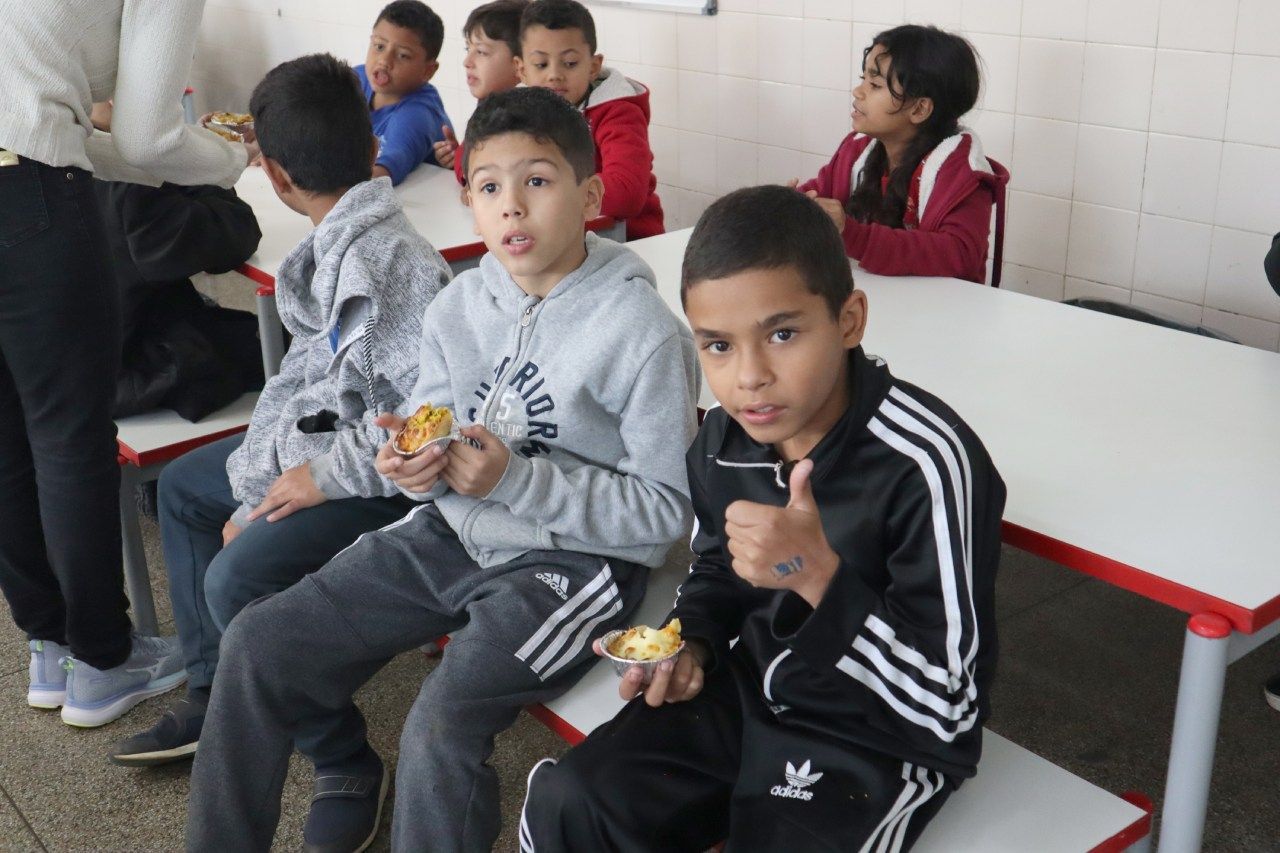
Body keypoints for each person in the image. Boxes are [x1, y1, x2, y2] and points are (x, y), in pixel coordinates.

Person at [185, 86, 698, 852]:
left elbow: (661, 518)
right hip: (451, 531)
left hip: (570, 565)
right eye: (489, 187)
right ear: (469, 203)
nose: (512, 205)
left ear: (590, 196)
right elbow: (433, 425)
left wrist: (515, 481)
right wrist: (410, 463)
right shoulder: (459, 308)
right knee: (258, 640)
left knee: (439, 721)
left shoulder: (640, 331)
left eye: (537, 180)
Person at [522, 185, 1007, 852]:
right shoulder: (722, 441)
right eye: (718, 346)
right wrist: (691, 643)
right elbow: (717, 568)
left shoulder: (925, 463)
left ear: (849, 320)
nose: (749, 376)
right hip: (747, 690)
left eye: (782, 334)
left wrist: (818, 578)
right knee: (574, 801)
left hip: (874, 734)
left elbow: (948, 708)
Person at [107, 53, 452, 768]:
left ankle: (342, 761)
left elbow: (423, 426)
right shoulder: (337, 244)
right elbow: (303, 385)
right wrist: (261, 480)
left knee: (236, 578)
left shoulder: (394, 265)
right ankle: (215, 689)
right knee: (182, 488)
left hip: (384, 481)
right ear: (371, 145)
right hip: (330, 448)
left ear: (276, 176)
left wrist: (299, 481)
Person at [0, 0, 252, 728]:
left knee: (7, 439)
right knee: (68, 436)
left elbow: (87, 142)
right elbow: (147, 136)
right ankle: (104, 661)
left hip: (29, 166)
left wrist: (169, 159)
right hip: (32, 198)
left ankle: (51, 646)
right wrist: (233, 158)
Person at [91, 101, 264, 422]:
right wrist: (215, 166)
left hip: (58, 364)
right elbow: (236, 235)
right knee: (286, 346)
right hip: (133, 372)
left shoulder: (42, 158)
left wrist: (191, 155)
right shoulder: (128, 189)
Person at [796, 24, 1008, 285]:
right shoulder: (857, 151)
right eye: (863, 79)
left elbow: (959, 254)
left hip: (943, 306)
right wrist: (791, 205)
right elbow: (820, 193)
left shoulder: (961, 173)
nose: (858, 91)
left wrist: (853, 234)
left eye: (875, 84)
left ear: (919, 109)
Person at [517, 0, 664, 240]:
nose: (554, 75)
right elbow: (475, 153)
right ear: (522, 70)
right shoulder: (519, 108)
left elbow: (626, 193)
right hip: (557, 239)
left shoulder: (618, 112)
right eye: (541, 65)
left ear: (593, 67)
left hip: (628, 242)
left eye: (570, 63)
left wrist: (541, 189)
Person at [357, 0, 452, 185]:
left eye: (402, 55)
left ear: (428, 71)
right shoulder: (355, 80)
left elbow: (383, 173)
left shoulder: (418, 113)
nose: (384, 60)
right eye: (379, 46)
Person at [434, 0, 528, 175]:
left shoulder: (519, 119)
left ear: (520, 64)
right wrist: (459, 155)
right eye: (467, 49)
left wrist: (466, 161)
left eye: (481, 52)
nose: (467, 62)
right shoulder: (490, 104)